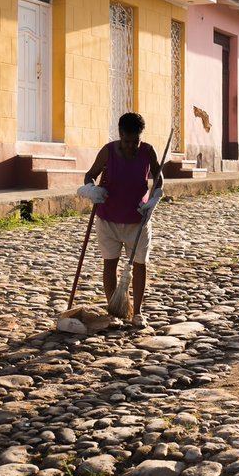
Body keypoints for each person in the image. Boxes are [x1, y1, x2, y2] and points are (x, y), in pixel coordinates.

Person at [79, 112, 163, 328]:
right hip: (108, 219)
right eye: (127, 141)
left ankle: (138, 312)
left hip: (138, 218)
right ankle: (114, 310)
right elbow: (90, 175)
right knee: (110, 263)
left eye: (136, 141)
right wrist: (91, 189)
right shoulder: (108, 152)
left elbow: (158, 175)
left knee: (140, 264)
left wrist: (155, 196)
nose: (131, 146)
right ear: (120, 135)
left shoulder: (148, 151)